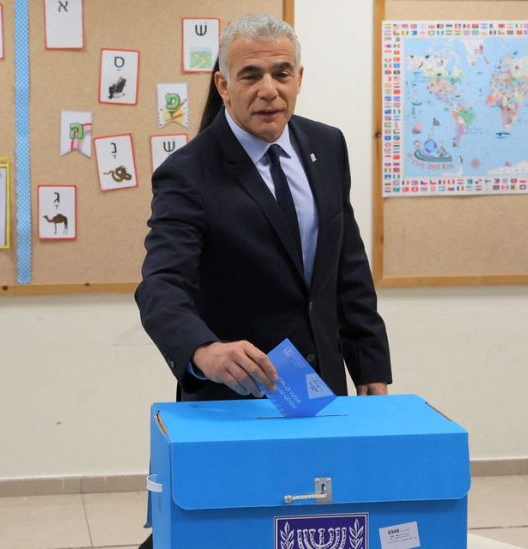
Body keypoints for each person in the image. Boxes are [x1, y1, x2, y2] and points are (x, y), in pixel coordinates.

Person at [135, 14, 392, 546]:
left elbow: (346, 265)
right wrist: (203, 350)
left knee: (319, 522)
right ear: (223, 85)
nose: (269, 90)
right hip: (236, 395)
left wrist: (371, 366)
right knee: (239, 530)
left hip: (321, 390)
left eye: (282, 72)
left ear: (300, 77)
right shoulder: (190, 171)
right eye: (251, 75)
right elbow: (161, 285)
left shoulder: (328, 146)